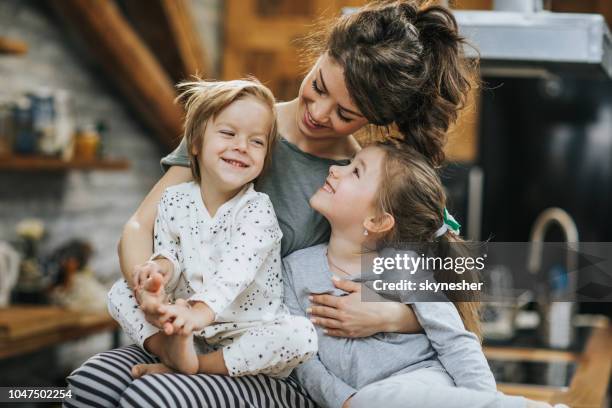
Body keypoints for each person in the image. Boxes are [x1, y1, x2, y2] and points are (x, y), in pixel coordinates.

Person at [65, 2, 479, 407]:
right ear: (319, 57)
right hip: (179, 326)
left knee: (151, 397)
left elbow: (451, 286)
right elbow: (140, 226)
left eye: (344, 113)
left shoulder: (351, 185)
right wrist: (148, 292)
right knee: (87, 384)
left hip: (266, 358)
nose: (317, 113)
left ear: (372, 118)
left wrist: (390, 315)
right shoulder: (237, 126)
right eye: (318, 86)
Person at [285, 142, 547, 408]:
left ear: (377, 221)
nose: (334, 169)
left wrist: (487, 400)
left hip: (426, 381)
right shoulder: (293, 269)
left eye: (355, 172)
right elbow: (302, 359)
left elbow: (454, 339)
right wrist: (343, 399)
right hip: (365, 399)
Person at [107, 78, 317, 379]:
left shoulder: (257, 209)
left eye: (256, 141)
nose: (241, 146)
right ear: (194, 143)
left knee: (301, 335)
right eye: (228, 133)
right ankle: (171, 349)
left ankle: (193, 366)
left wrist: (197, 312)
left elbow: (235, 272)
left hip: (246, 334)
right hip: (186, 327)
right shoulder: (174, 199)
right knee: (118, 292)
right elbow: (170, 252)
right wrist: (158, 273)